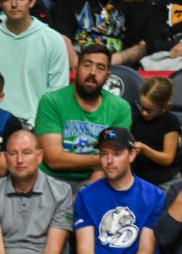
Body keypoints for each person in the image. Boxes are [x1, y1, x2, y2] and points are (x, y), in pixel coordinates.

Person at [35, 44, 131, 186]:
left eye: (100, 68)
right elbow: (54, 159)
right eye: (87, 65)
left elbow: (113, 162)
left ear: (107, 76)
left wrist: (86, 192)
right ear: (76, 68)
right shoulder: (52, 101)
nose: (92, 72)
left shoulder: (120, 108)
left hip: (98, 179)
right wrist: (104, 158)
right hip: (52, 180)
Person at [0, 0, 68, 127]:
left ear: (32, 1)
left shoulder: (53, 40)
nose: (14, 4)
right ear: (0, 3)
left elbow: (57, 93)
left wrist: (31, 125)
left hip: (40, 125)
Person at [49, 0, 148, 67]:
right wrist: (77, 66)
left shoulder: (133, 3)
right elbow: (62, 38)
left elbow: (143, 46)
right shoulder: (69, 1)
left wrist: (118, 58)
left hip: (119, 70)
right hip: (77, 66)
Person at [131, 76, 179, 192]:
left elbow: (167, 158)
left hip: (165, 181)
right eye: (142, 107)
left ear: (164, 106)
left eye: (149, 109)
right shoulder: (135, 118)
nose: (144, 112)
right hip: (139, 178)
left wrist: (144, 149)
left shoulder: (170, 121)